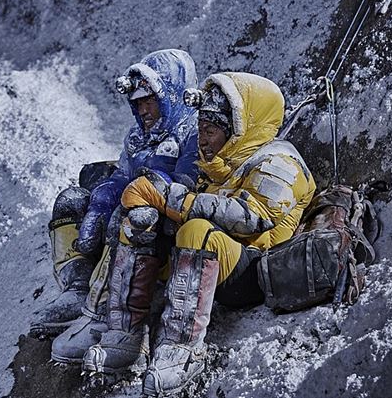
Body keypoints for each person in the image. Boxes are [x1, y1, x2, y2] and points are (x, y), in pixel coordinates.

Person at [81, 72, 317, 396]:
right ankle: (123, 333)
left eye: (211, 130)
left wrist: (173, 199)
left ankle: (182, 349)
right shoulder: (221, 163)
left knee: (196, 230)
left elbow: (251, 217)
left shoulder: (280, 162)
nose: (203, 140)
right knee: (141, 221)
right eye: (200, 130)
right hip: (211, 264)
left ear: (238, 127)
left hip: (252, 270)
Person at [30, 49, 199, 363]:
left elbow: (185, 184)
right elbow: (122, 174)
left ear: (172, 95)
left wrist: (133, 194)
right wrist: (101, 201)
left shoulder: (193, 133)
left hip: (162, 229)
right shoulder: (137, 136)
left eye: (150, 101)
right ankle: (78, 287)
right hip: (130, 209)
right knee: (72, 201)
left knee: (131, 216)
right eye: (137, 103)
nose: (143, 110)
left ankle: (107, 311)